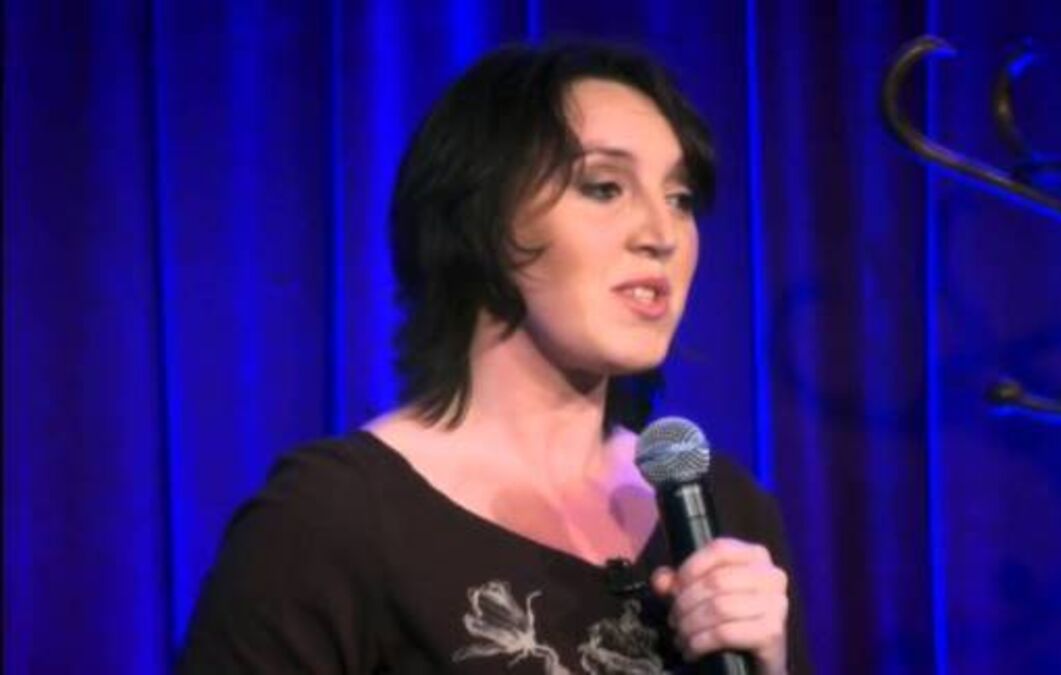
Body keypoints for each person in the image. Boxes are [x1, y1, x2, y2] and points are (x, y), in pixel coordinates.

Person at [178, 41, 810, 675]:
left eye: (680, 198)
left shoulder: (724, 511)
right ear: (479, 219)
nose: (662, 234)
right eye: (604, 188)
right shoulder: (330, 520)